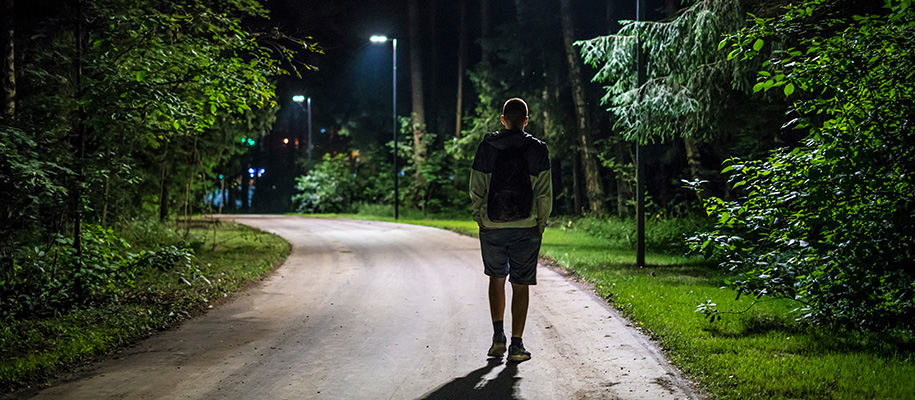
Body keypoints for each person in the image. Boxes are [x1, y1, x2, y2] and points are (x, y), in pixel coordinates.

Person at [469, 97, 552, 362]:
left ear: (503, 120)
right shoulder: (537, 149)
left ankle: (497, 338)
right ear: (526, 121)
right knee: (520, 283)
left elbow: (476, 187)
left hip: (492, 225)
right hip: (526, 226)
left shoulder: (487, 146)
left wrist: (480, 217)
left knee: (496, 278)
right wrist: (540, 223)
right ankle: (517, 346)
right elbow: (544, 192)